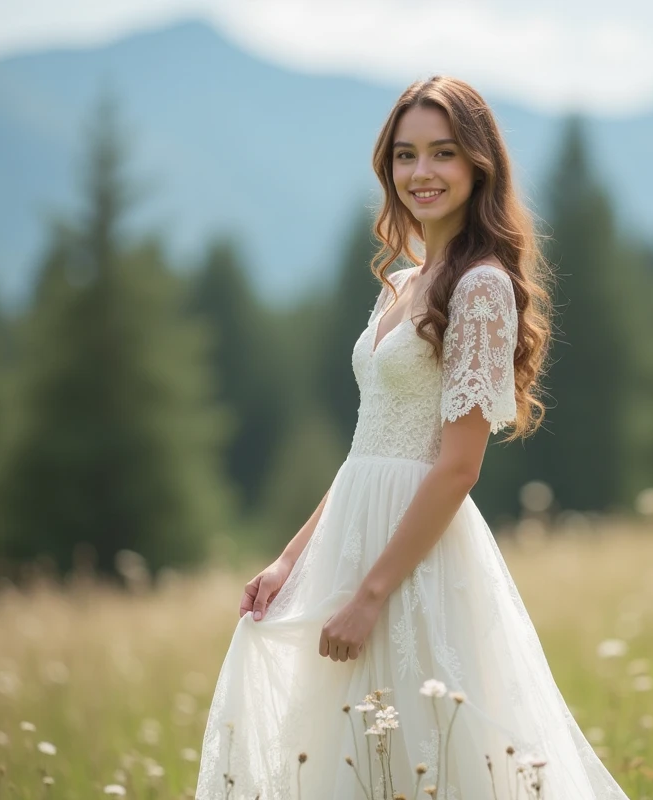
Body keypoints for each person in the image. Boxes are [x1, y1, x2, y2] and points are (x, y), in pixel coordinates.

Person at [195, 75, 629, 799]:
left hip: (412, 558)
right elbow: (369, 449)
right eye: (405, 156)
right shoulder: (401, 283)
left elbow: (457, 467)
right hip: (350, 539)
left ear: (478, 166)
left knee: (425, 754)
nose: (421, 173)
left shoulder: (481, 288)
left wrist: (372, 595)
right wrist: (288, 560)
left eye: (442, 154)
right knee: (343, 759)